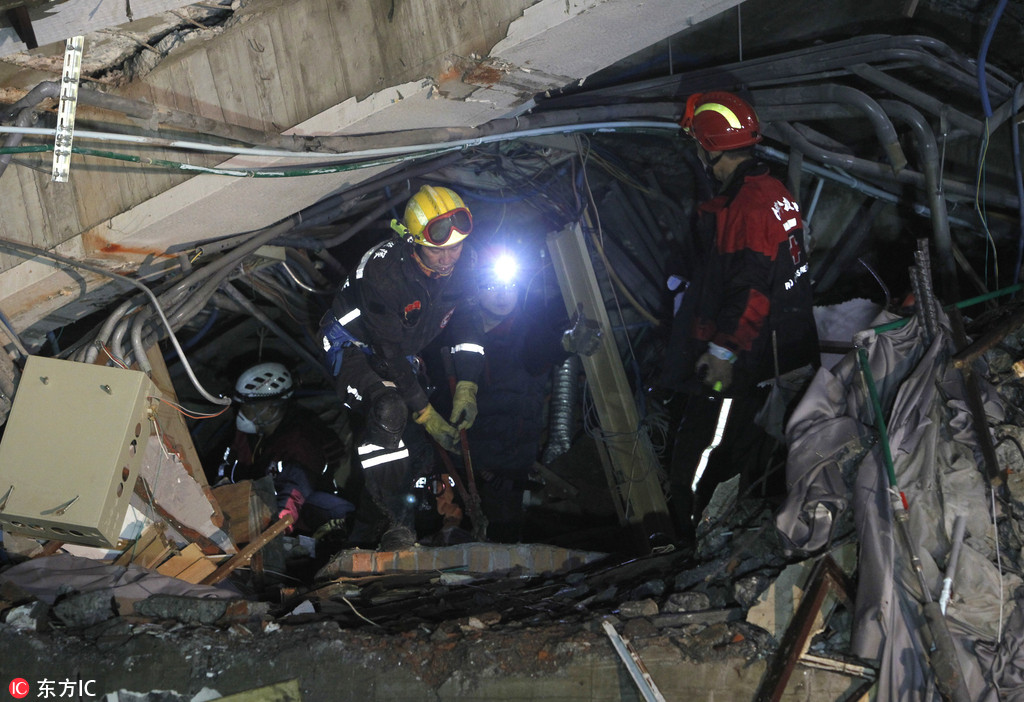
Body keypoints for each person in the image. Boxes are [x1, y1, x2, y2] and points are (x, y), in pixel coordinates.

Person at [659, 91, 819, 545]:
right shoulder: (773, 192)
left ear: (708, 147)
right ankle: (723, 538)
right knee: (745, 452)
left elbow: (750, 289)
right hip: (779, 352)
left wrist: (723, 352)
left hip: (742, 362)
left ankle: (686, 543)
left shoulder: (746, 207)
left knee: (701, 454)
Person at [319, 184, 485, 551]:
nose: (449, 259)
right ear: (412, 241)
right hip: (354, 347)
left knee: (412, 448)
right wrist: (425, 411)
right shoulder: (384, 275)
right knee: (390, 410)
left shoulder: (465, 264)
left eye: (456, 247)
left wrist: (467, 385)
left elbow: (469, 319)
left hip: (403, 352)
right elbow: (387, 353)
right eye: (438, 250)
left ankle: (366, 534)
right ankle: (397, 525)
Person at [434, 245, 600, 543]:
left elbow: (542, 350)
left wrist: (567, 343)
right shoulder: (452, 327)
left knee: (501, 541)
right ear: (475, 288)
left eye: (510, 285)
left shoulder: (529, 331)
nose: (502, 294)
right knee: (448, 541)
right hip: (457, 460)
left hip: (505, 466)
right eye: (492, 285)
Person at [216, 361, 354, 550]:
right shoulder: (253, 439)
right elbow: (228, 475)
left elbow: (295, 491)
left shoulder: (300, 440)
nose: (241, 413)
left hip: (309, 526)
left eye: (248, 407)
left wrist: (272, 534)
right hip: (264, 518)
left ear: (271, 409)